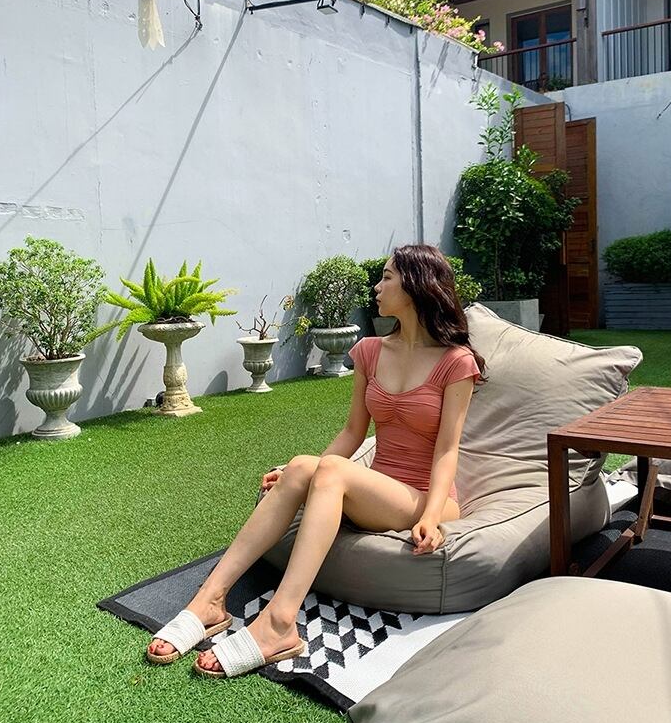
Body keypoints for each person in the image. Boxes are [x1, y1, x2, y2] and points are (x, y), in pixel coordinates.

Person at [145, 244, 484, 678]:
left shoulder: (456, 362)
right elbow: (353, 432)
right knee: (306, 465)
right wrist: (296, 474)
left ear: (416, 286)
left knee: (330, 471)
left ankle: (279, 623)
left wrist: (433, 516)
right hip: (377, 492)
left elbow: (447, 450)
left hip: (426, 499)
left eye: (386, 277)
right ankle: (210, 598)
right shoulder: (370, 351)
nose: (377, 287)